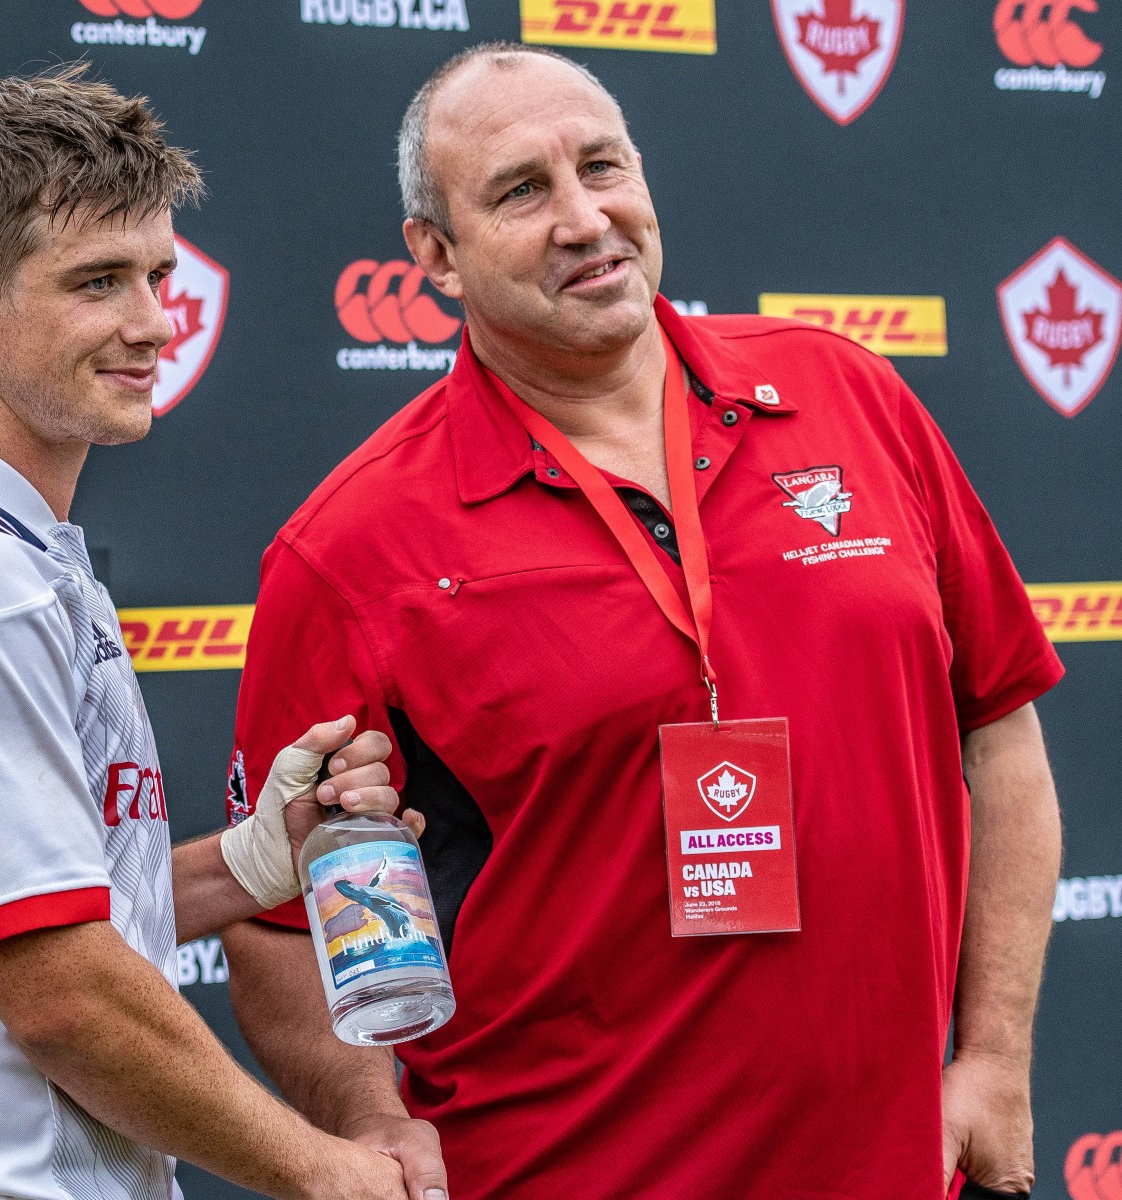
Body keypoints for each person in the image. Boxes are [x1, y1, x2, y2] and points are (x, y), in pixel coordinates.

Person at [220, 42, 1065, 1200]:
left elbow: (999, 734)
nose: (584, 218)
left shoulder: (849, 396)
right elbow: (272, 923)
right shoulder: (351, 547)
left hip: (899, 1166)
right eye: (521, 190)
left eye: (602, 167)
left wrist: (996, 1059)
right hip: (561, 1172)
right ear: (434, 254)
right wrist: (373, 1122)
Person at [0, 65, 420, 1200]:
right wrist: (323, 1171)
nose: (149, 322)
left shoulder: (8, 548)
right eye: (97, 282)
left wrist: (248, 861)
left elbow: (30, 911)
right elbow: (66, 996)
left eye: (158, 275)